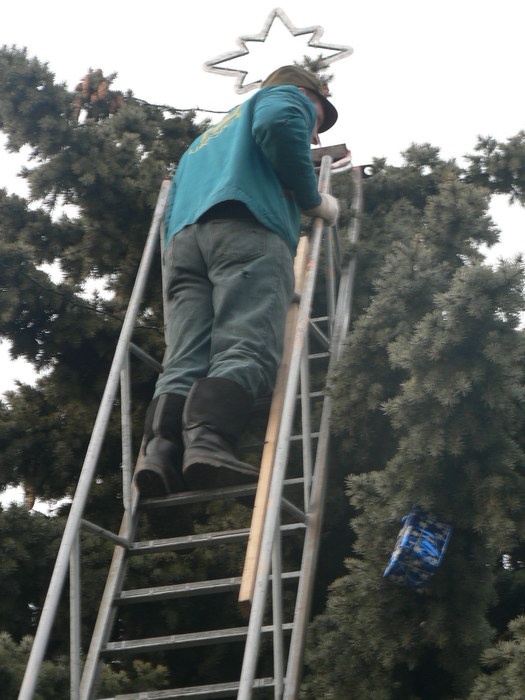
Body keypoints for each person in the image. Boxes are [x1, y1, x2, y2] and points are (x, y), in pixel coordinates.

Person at [134, 65, 339, 501]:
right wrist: (312, 199)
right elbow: (279, 122)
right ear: (305, 92)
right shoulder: (283, 99)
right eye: (317, 120)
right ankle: (208, 442)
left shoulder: (205, 141)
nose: (313, 136)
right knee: (247, 342)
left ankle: (160, 452)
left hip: (184, 246)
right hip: (247, 229)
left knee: (185, 357)